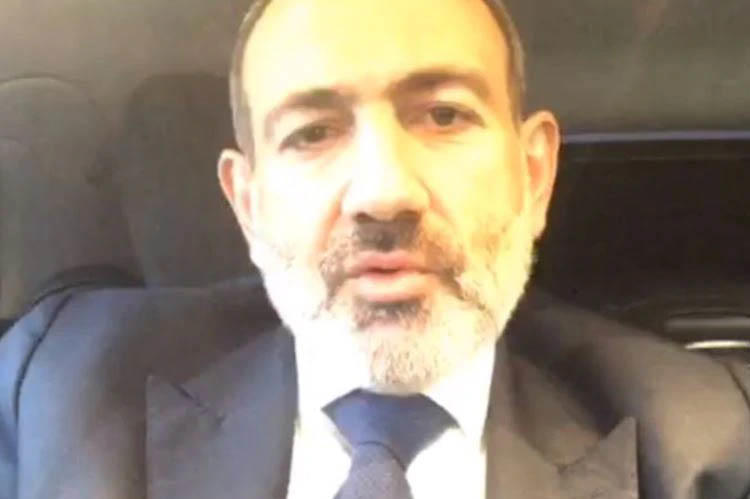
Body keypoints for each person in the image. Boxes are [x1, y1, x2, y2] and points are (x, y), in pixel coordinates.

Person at [1, 0, 749, 498]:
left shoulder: (702, 443)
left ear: (533, 175)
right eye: (312, 133)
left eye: (444, 115)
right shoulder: (65, 391)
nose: (384, 193)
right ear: (247, 205)